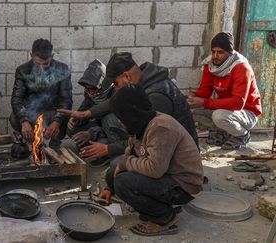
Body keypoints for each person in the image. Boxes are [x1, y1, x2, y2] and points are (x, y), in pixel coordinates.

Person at [100, 84, 203, 236]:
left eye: (121, 116)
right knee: (114, 169)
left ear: (131, 112)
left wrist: (125, 164)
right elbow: (130, 153)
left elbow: (155, 169)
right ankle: (153, 205)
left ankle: (166, 217)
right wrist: (110, 186)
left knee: (123, 182)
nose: (121, 121)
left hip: (183, 185)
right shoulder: (140, 122)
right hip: (166, 174)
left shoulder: (161, 127)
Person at [58, 52, 198, 161]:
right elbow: (113, 102)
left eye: (116, 83)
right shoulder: (143, 80)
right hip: (159, 144)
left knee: (118, 168)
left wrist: (108, 149)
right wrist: (86, 114)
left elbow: (146, 138)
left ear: (127, 77)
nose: (116, 88)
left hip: (177, 157)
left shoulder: (157, 96)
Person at [187, 32, 261, 150]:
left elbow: (238, 103)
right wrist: (191, 99)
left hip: (247, 112)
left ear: (230, 53)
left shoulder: (241, 68)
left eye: (220, 52)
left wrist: (204, 102)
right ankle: (225, 132)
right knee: (193, 113)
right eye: (213, 51)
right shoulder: (210, 66)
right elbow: (204, 92)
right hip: (225, 110)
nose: (215, 56)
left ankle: (242, 135)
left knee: (219, 116)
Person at [10, 39, 72, 149]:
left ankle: (55, 142)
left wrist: (57, 121)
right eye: (37, 64)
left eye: (46, 64)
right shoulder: (22, 70)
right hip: (31, 114)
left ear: (52, 56)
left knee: (65, 114)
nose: (42, 68)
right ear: (31, 55)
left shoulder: (62, 69)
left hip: (52, 112)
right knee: (15, 117)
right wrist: (24, 121)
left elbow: (66, 100)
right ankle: (33, 139)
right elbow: (16, 99)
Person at [67, 59, 128, 166]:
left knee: (108, 119)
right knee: (73, 128)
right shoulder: (90, 94)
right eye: (87, 89)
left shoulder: (116, 92)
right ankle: (95, 151)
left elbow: (118, 125)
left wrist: (91, 132)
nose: (90, 92)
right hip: (101, 129)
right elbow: (83, 112)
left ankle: (114, 155)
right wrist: (75, 120)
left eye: (93, 89)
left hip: (120, 133)